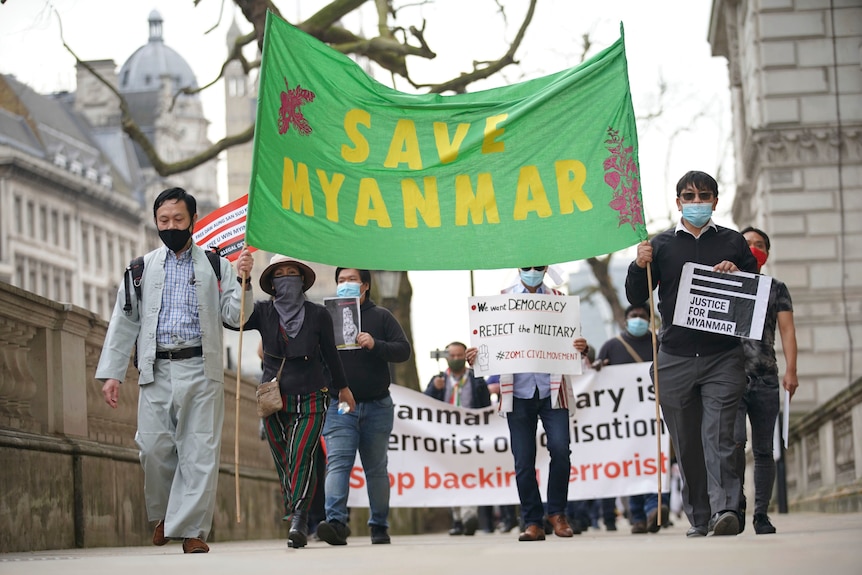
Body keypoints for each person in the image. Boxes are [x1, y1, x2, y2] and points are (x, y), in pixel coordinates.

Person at [96, 187, 254, 554]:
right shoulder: (140, 268)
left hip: (202, 367)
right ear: (155, 222)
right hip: (156, 369)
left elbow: (237, 316)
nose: (170, 226)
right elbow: (124, 322)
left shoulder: (217, 266)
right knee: (152, 449)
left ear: (193, 221)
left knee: (200, 451)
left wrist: (244, 280)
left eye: (178, 219)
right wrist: (113, 373)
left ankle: (194, 529)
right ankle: (165, 515)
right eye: (163, 220)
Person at [625, 170, 758, 537]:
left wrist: (737, 272)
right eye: (689, 195)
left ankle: (726, 509)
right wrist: (639, 264)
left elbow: (754, 290)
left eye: (704, 196)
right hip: (675, 357)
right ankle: (700, 517)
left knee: (720, 437)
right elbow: (636, 297)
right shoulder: (661, 245)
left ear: (715, 201)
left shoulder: (733, 241)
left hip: (723, 356)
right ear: (678, 200)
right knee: (687, 442)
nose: (696, 202)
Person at [236, 255, 356, 548]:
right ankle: (296, 510)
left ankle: (299, 520)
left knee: (301, 455)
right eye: (280, 274)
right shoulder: (262, 312)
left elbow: (331, 354)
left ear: (302, 280)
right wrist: (244, 279)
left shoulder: (318, 315)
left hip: (312, 397)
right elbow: (234, 319)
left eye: (292, 273)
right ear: (273, 284)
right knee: (285, 460)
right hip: (273, 399)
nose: (287, 278)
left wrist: (343, 388)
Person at [467, 265, 589, 542]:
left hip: (552, 389)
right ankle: (532, 521)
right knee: (524, 460)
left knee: (561, 450)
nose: (532, 271)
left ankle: (557, 513)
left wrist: (583, 348)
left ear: (546, 269)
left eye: (538, 267)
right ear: (519, 268)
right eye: (527, 267)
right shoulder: (499, 302)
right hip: (517, 392)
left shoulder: (561, 302)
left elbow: (574, 344)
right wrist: (477, 356)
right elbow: (488, 345)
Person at [317, 268, 412, 546]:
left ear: (365, 286)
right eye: (341, 280)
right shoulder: (327, 319)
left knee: (376, 469)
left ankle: (379, 525)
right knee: (337, 464)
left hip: (377, 405)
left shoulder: (381, 316)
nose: (346, 284)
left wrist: (376, 344)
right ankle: (335, 523)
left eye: (352, 280)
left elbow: (402, 350)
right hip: (340, 406)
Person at [734, 227, 798, 534]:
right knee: (732, 445)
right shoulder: (724, 282)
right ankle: (734, 507)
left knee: (763, 450)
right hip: (729, 378)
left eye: (760, 245)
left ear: (767, 254)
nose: (754, 248)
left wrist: (791, 370)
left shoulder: (776, 288)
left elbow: (787, 330)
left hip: (765, 377)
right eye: (747, 243)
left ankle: (761, 514)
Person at [592, 302, 670, 534]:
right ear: (626, 320)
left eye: (642, 316)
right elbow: (598, 379)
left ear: (649, 320)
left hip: (655, 417)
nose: (638, 319)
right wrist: (598, 369)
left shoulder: (660, 343)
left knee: (657, 461)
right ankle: (638, 516)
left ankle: (654, 508)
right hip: (625, 423)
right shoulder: (612, 346)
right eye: (633, 315)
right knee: (633, 466)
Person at [425, 341, 491, 536]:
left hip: (471, 434)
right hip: (446, 435)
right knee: (450, 475)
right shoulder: (438, 379)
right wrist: (434, 390)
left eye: (459, 355)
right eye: (451, 356)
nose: (455, 359)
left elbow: (486, 405)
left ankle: (470, 515)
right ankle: (457, 519)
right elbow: (424, 404)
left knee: (470, 472)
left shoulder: (477, 379)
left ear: (466, 356)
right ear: (446, 357)